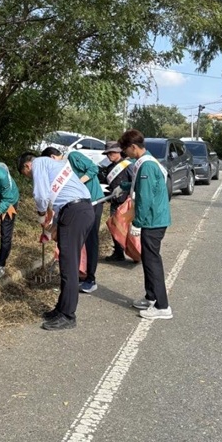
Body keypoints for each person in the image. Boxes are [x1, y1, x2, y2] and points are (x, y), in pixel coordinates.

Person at [18, 152, 94, 330]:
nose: (30, 178)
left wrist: (41, 215)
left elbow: (41, 196)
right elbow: (60, 201)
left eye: (26, 175)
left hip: (75, 211)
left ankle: (68, 315)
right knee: (67, 263)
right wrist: (51, 230)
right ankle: (61, 309)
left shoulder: (38, 164)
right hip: (77, 210)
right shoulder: (53, 165)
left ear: (27, 166)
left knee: (68, 265)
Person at [117, 129, 173, 320]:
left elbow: (145, 198)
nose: (126, 155)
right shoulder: (146, 161)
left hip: (153, 220)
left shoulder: (147, 166)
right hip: (154, 218)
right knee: (149, 260)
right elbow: (140, 187)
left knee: (152, 263)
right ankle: (151, 297)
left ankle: (162, 306)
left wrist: (137, 223)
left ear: (133, 147)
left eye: (126, 150)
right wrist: (123, 187)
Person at [41, 146, 105, 294]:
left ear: (52, 157)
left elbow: (93, 169)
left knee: (91, 241)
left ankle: (91, 279)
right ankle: (80, 274)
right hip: (78, 206)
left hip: (93, 201)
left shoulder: (73, 157)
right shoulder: (59, 171)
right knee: (78, 243)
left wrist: (78, 182)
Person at [99, 141, 136, 262]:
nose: (110, 155)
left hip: (126, 203)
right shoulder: (109, 168)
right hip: (114, 202)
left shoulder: (128, 165)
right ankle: (118, 252)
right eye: (108, 153)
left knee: (130, 229)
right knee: (115, 228)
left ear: (119, 152)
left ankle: (135, 252)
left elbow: (135, 183)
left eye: (112, 152)